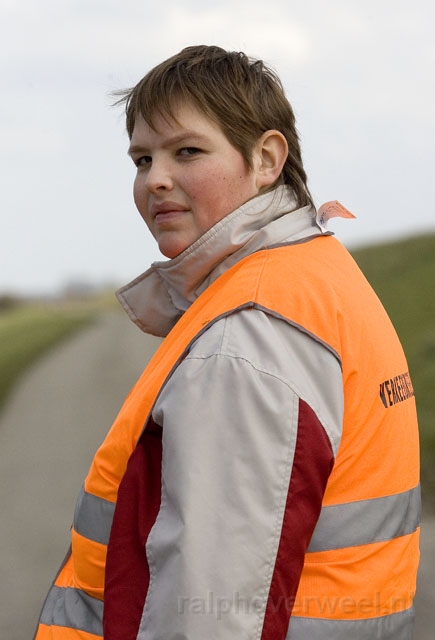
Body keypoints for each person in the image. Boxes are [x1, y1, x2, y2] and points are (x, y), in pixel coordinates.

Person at [34, 45, 420, 640]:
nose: (155, 178)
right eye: (141, 159)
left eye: (186, 150)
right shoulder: (314, 269)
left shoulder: (247, 336)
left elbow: (211, 617)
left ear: (266, 158)